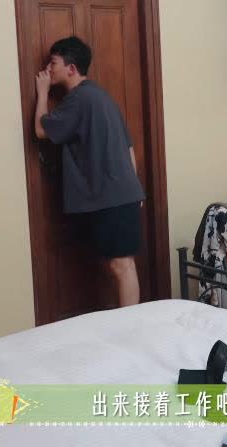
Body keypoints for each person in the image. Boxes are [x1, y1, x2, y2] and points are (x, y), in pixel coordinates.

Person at [34, 36, 145, 307]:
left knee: (121, 265)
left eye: (53, 63)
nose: (48, 69)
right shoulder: (100, 96)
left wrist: (42, 93)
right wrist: (135, 188)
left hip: (112, 197)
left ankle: (131, 324)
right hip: (121, 194)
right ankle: (127, 320)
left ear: (71, 68)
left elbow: (40, 130)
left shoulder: (79, 98)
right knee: (119, 264)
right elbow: (129, 147)